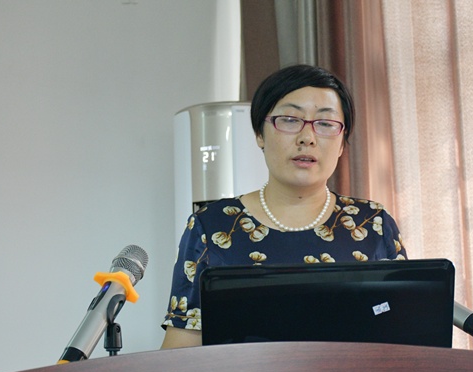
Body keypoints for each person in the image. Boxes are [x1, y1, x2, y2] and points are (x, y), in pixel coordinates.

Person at [161, 64, 407, 349]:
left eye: (325, 124)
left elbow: (405, 337)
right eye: (290, 120)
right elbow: (180, 352)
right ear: (260, 134)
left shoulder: (373, 224)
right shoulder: (212, 226)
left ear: (342, 143)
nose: (307, 138)